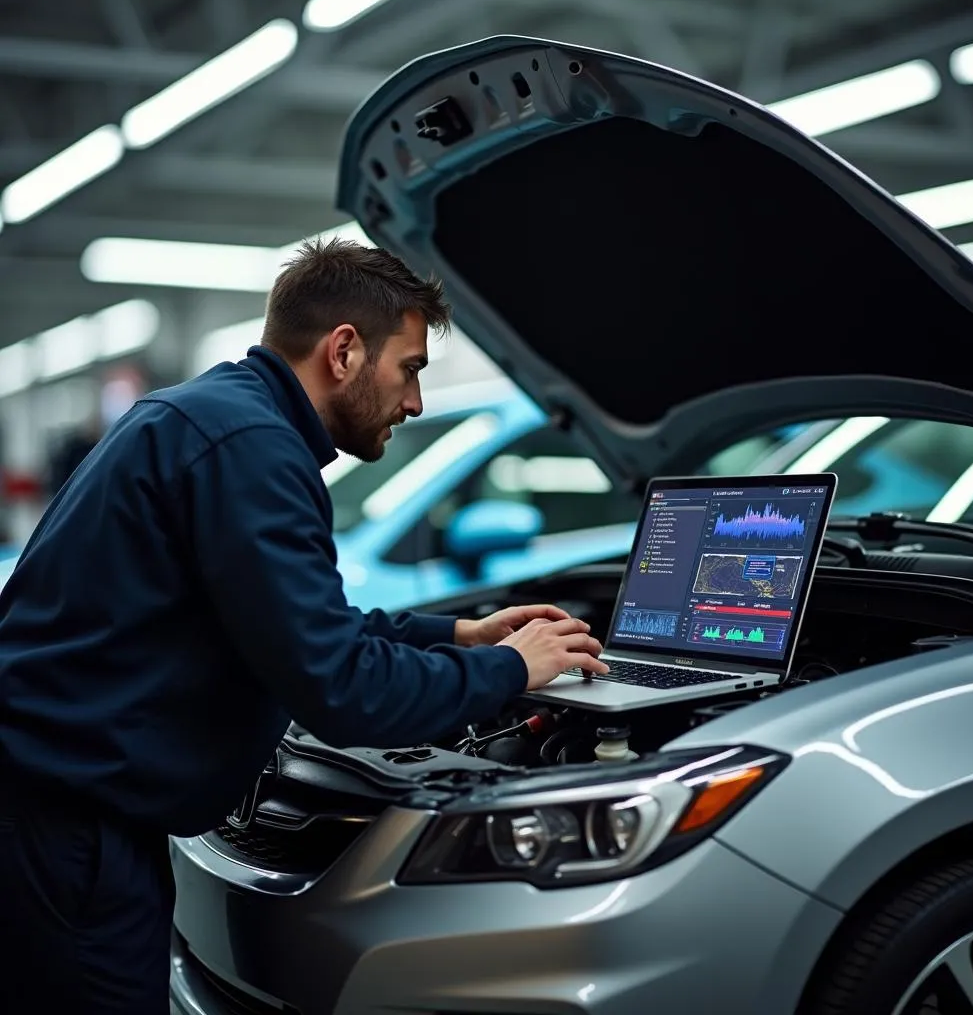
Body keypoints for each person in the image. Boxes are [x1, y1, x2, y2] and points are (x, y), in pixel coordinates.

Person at [0, 238, 609, 1013]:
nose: (414, 400)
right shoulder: (253, 448)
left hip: (59, 813)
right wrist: (512, 671)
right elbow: (340, 688)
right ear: (345, 351)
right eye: (412, 367)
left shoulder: (213, 417)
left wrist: (462, 638)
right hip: (67, 834)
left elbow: (294, 623)